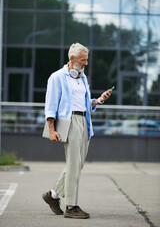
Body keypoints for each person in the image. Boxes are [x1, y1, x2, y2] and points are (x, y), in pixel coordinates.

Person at [42, 43, 112, 219]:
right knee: (73, 164)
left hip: (84, 121)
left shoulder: (83, 78)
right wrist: (51, 129)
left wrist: (98, 101)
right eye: (83, 60)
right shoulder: (56, 77)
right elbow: (50, 107)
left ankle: (53, 195)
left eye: (87, 60)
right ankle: (71, 206)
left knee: (77, 164)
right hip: (69, 122)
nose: (86, 63)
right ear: (72, 59)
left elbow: (84, 103)